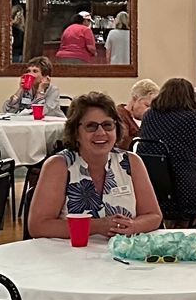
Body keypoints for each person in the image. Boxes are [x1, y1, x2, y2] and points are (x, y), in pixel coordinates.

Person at [26, 90, 163, 239]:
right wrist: (97, 226)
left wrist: (132, 226)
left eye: (107, 125)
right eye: (91, 126)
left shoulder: (131, 162)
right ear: (75, 132)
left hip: (122, 256)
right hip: (69, 256)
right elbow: (38, 226)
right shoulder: (59, 165)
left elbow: (154, 216)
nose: (101, 132)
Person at [136, 76, 196, 224]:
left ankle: (179, 224)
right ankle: (192, 225)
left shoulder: (149, 116)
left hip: (155, 191)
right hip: (187, 192)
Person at [117, 78, 158, 148]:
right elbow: (123, 142)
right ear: (135, 99)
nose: (150, 110)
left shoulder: (151, 119)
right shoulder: (120, 115)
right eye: (147, 105)